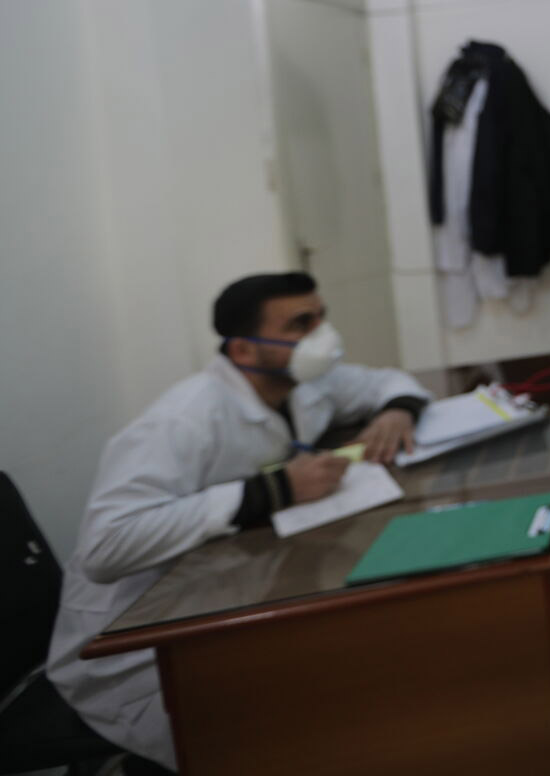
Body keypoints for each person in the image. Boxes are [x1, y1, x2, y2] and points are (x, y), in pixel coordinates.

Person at [47, 273, 430, 772]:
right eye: (301, 324)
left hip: (228, 593)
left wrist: (397, 413)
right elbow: (105, 548)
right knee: (300, 737)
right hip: (136, 654)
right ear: (245, 351)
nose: (323, 335)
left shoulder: (304, 384)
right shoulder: (184, 421)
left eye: (320, 317)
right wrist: (271, 492)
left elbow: (387, 382)